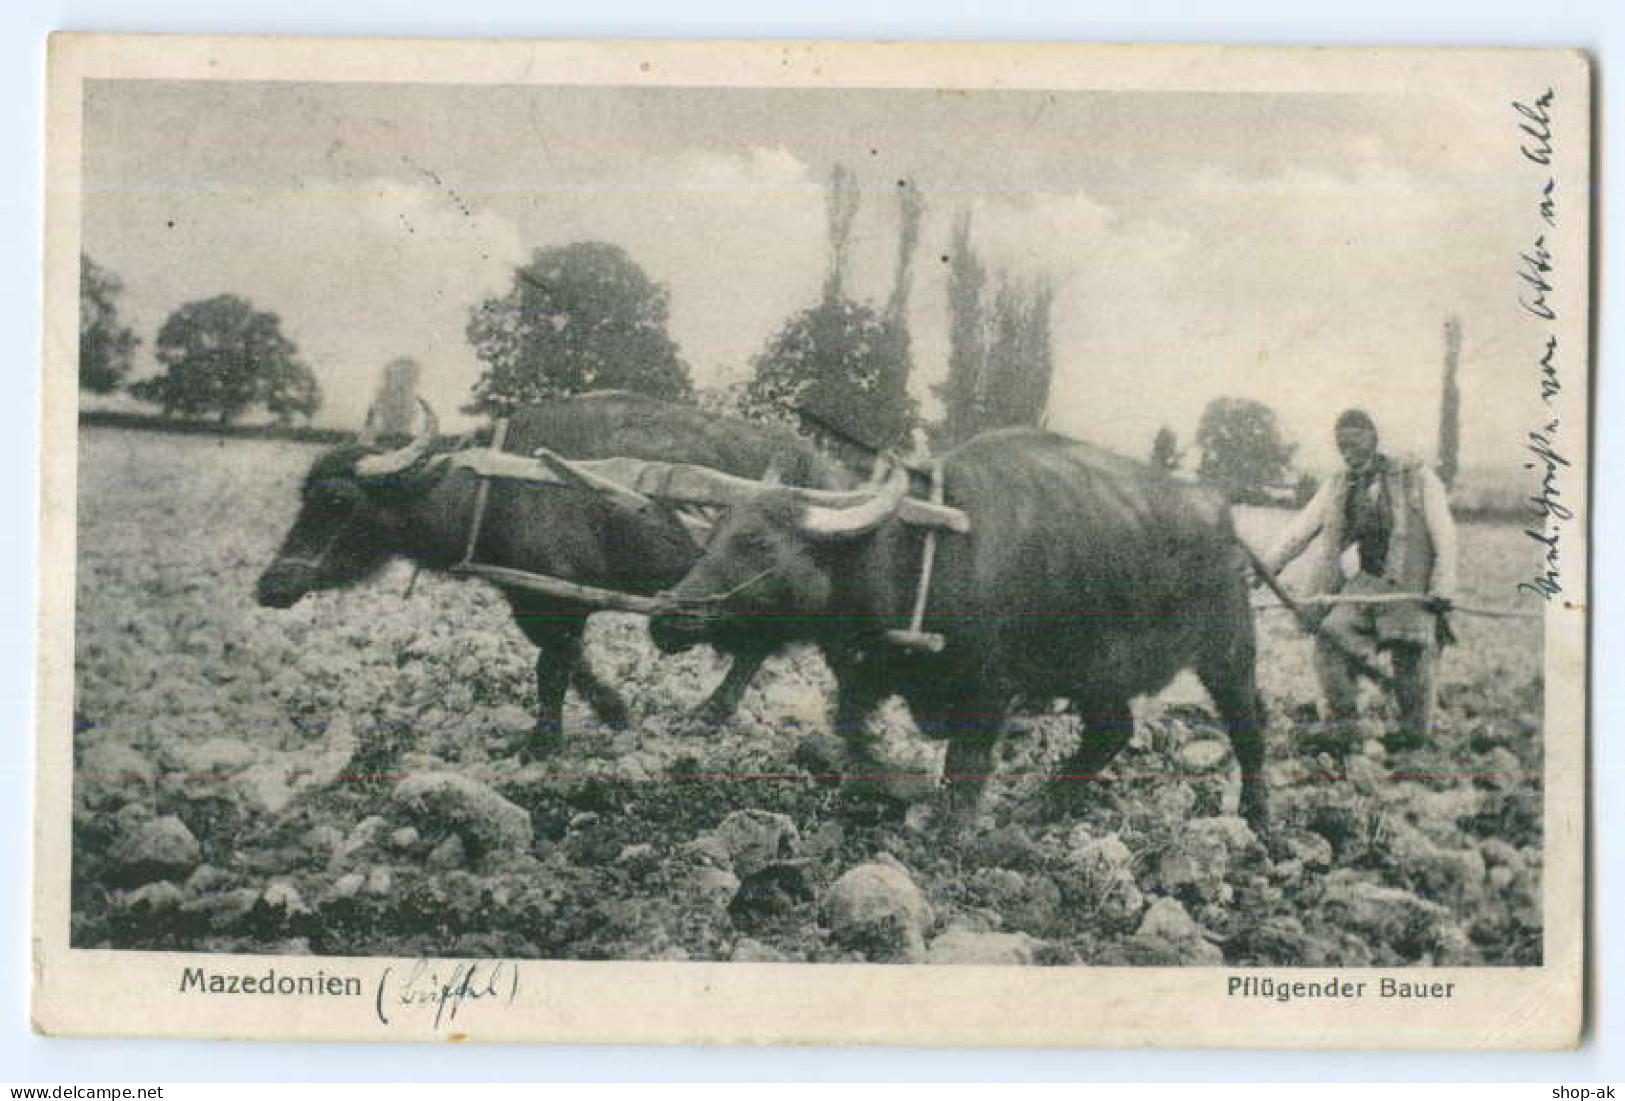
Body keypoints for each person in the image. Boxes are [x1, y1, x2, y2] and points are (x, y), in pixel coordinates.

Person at [1263, 409, 1458, 753]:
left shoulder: (1419, 477)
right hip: (1366, 584)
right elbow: (1301, 530)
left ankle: (1413, 739)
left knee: (1412, 656)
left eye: (1354, 444)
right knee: (1330, 639)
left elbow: (1445, 535)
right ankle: (1344, 726)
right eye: (1342, 447)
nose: (1347, 452)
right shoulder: (1339, 483)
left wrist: (1442, 587)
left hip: (1412, 587)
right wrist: (1266, 568)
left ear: (1373, 437)